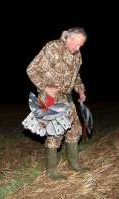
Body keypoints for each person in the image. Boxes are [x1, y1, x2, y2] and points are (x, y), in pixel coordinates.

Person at [26, 27, 89, 180]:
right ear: (68, 38)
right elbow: (31, 69)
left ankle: (74, 164)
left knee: (74, 130)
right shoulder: (52, 48)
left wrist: (80, 90)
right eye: (77, 44)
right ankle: (52, 170)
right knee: (55, 132)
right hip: (51, 96)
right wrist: (45, 87)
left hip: (67, 97)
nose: (79, 48)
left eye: (81, 45)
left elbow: (76, 75)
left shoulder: (77, 54)